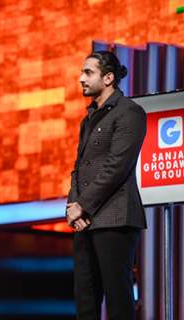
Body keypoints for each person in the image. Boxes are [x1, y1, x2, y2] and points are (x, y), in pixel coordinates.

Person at [66, 51, 147, 320]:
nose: (81, 79)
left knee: (117, 296)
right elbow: (79, 168)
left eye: (88, 73)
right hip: (86, 220)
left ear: (108, 78)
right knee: (85, 298)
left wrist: (83, 205)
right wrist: (73, 205)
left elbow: (117, 166)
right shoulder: (88, 118)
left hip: (115, 217)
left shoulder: (130, 112)